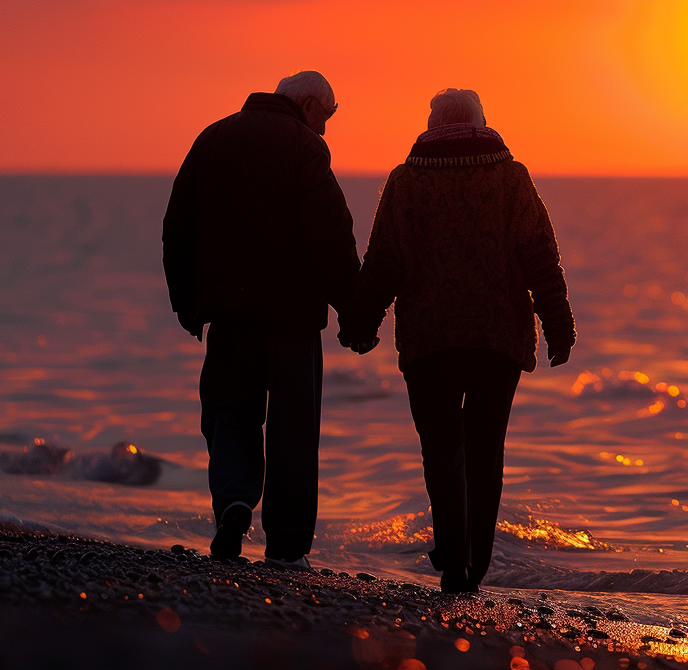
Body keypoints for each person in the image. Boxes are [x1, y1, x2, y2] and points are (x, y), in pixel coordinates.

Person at [342, 88, 575, 593]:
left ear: (432, 125)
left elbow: (384, 262)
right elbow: (540, 258)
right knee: (485, 450)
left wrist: (361, 324)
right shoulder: (511, 179)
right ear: (480, 122)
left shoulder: (406, 183)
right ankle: (475, 564)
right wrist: (559, 326)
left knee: (442, 448)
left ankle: (452, 558)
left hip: (430, 340)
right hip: (497, 338)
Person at [162, 70, 359, 568]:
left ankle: (233, 500)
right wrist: (355, 311)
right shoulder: (305, 148)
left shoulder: (213, 137)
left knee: (229, 413)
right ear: (310, 104)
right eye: (328, 117)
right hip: (292, 319)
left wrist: (186, 302)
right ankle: (288, 545)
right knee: (293, 430)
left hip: (228, 316)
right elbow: (331, 235)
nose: (326, 129)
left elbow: (177, 228)